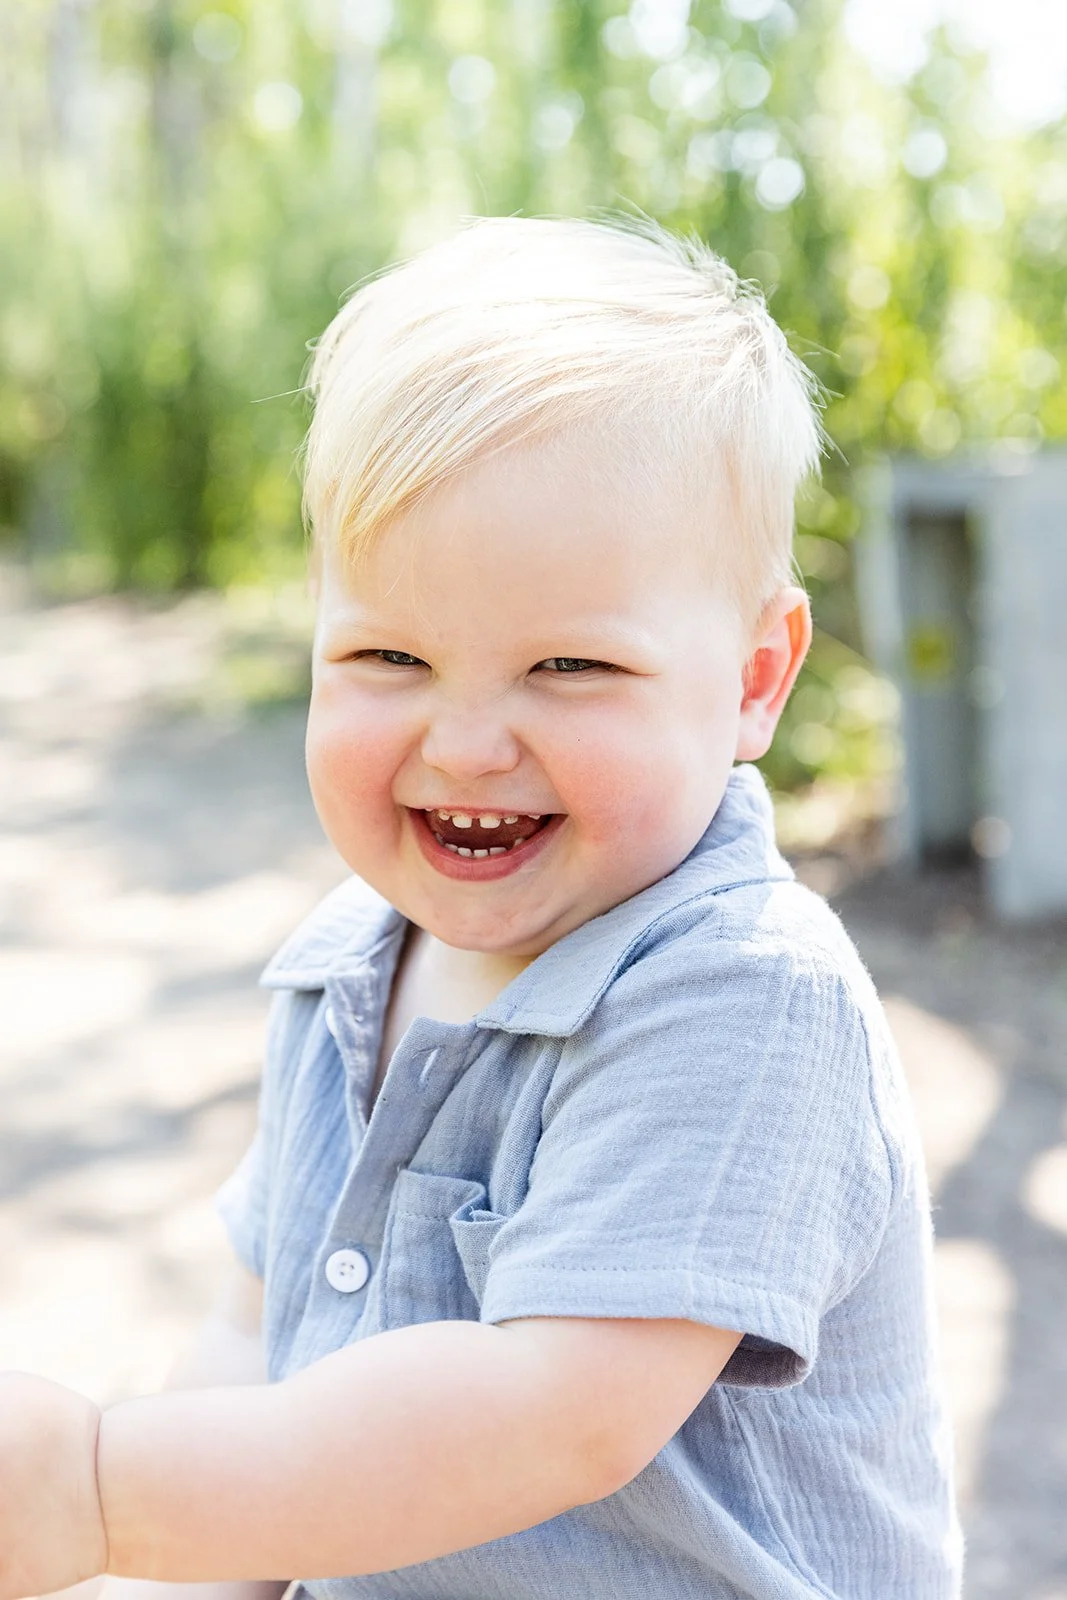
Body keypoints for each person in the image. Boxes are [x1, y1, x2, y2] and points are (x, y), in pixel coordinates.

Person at [0, 217, 961, 1600]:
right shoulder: (344, 969)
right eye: (389, 653)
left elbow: (550, 1411)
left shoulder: (742, 997)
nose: (463, 743)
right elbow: (254, 1344)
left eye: (566, 665)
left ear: (755, 678)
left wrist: (100, 1497)